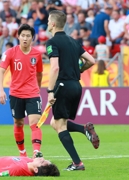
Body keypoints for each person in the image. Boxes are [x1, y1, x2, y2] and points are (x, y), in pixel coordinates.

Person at [45, 10, 99, 171]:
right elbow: (91, 60)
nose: (47, 23)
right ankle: (84, 129)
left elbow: (54, 68)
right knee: (55, 122)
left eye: (48, 20)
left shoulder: (52, 42)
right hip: (76, 85)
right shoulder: (73, 41)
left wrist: (49, 91)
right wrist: (79, 70)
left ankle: (77, 163)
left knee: (60, 126)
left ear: (53, 24)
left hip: (62, 86)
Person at [0, 24, 43, 158]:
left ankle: (36, 152)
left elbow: (39, 74)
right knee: (19, 123)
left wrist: (38, 90)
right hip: (16, 93)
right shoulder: (10, 52)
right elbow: (0, 71)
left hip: (33, 93)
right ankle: (22, 153)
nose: (25, 38)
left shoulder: (37, 54)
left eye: (28, 36)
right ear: (18, 36)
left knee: (35, 123)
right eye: (23, 35)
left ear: (32, 38)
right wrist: (1, 90)